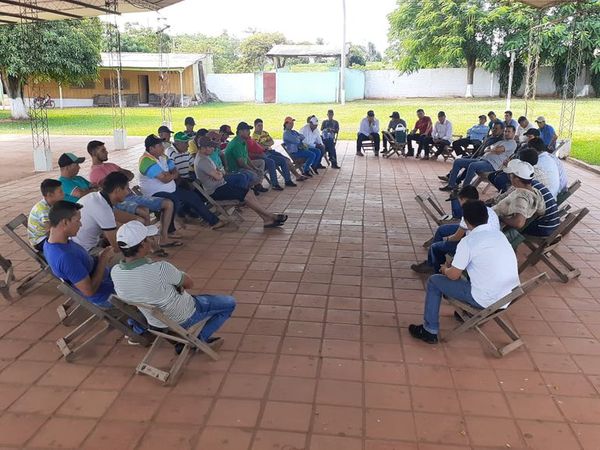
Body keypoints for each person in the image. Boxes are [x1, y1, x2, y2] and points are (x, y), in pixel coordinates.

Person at [111, 220, 236, 349]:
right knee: (229, 303)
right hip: (183, 316)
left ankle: (189, 341)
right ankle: (195, 341)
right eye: (149, 239)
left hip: (156, 323)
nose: (152, 240)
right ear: (142, 244)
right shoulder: (160, 268)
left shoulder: (115, 272)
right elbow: (189, 283)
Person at [408, 200, 520, 344]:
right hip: (507, 297)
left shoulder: (468, 242)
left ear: (465, 222)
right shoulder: (500, 236)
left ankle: (430, 330)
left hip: (485, 299)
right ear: (487, 217)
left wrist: (445, 270)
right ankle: (464, 313)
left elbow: (453, 276)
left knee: (434, 281)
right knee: (469, 276)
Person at [87, 139, 179, 248]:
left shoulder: (110, 165)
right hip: (119, 200)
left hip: (131, 196)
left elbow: (130, 175)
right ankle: (150, 244)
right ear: (93, 153)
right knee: (143, 211)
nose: (106, 152)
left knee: (168, 203)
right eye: (102, 150)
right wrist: (120, 174)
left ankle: (164, 238)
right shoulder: (95, 172)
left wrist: (121, 175)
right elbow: (112, 188)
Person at [195, 136, 288, 228]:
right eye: (211, 147)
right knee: (247, 194)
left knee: (249, 192)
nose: (213, 148)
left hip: (221, 185)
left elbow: (219, 173)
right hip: (216, 191)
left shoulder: (205, 157)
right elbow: (218, 176)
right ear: (203, 148)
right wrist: (219, 173)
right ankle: (270, 216)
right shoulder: (202, 161)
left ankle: (266, 218)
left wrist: (219, 173)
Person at [139, 134, 226, 230]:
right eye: (160, 145)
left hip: (170, 189)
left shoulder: (163, 156)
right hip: (155, 193)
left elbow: (175, 171)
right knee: (174, 201)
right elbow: (165, 179)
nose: (163, 147)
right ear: (151, 148)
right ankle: (170, 230)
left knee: (193, 196)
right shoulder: (146, 160)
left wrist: (169, 175)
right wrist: (170, 175)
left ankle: (212, 221)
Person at [411, 185, 500, 274]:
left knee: (435, 247)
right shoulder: (488, 209)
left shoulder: (469, 212)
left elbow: (457, 237)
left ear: (464, 200)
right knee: (441, 230)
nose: (459, 203)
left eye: (460, 201)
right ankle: (431, 263)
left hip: (476, 246)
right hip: (484, 238)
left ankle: (437, 269)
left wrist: (447, 240)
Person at [44, 200, 115, 309]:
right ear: (65, 222)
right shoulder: (65, 257)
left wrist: (99, 257)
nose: (81, 224)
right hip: (105, 295)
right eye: (78, 221)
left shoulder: (53, 242)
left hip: (104, 275)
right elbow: (89, 291)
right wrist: (103, 260)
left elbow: (80, 263)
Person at [440, 125, 517, 191]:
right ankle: (451, 185)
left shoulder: (512, 143)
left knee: (473, 165)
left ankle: (465, 189)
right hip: (482, 159)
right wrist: (492, 149)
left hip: (492, 165)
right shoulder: (501, 141)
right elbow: (487, 148)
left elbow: (497, 149)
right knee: (458, 161)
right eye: (505, 131)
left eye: (508, 131)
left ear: (513, 133)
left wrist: (492, 149)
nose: (506, 133)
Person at [73, 171, 131, 253]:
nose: (128, 192)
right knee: (128, 256)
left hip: (77, 244)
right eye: (126, 188)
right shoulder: (104, 209)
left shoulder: (95, 196)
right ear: (117, 190)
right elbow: (116, 248)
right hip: (86, 250)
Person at [492, 160, 546, 231]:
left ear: (517, 180)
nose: (509, 177)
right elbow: (541, 211)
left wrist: (499, 217)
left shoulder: (521, 197)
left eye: (510, 175)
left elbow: (518, 223)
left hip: (492, 221)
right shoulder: (536, 192)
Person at [253, 118, 305, 183]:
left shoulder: (265, 133)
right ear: (255, 126)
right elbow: (261, 147)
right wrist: (266, 145)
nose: (261, 127)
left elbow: (272, 142)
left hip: (271, 151)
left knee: (288, 160)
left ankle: (296, 176)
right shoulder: (254, 137)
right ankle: (291, 178)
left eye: (262, 125)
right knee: (284, 161)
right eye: (259, 126)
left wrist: (264, 144)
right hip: (266, 154)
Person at [224, 122, 269, 194]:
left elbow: (246, 157)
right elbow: (241, 163)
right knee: (255, 175)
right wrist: (252, 170)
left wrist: (255, 167)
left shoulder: (243, 141)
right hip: (235, 169)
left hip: (242, 166)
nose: (249, 132)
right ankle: (246, 190)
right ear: (240, 132)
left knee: (261, 162)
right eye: (247, 130)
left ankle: (257, 185)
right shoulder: (236, 144)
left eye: (249, 130)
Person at [28, 179, 65, 252]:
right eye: (60, 192)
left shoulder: (51, 204)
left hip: (45, 236)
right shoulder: (43, 210)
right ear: (49, 195)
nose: (63, 193)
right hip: (40, 241)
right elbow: (50, 232)